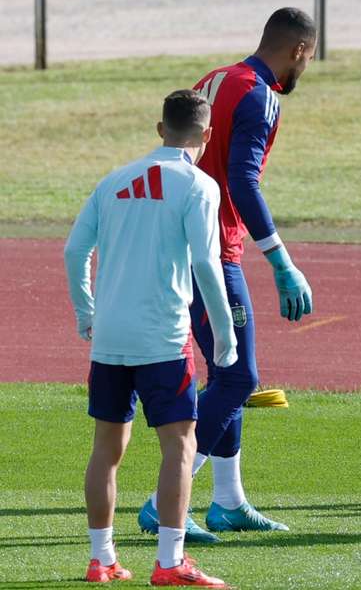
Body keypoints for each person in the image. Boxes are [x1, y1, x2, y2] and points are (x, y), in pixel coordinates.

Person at [137, 7, 317, 541]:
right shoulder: (261, 95)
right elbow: (242, 180)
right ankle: (162, 502)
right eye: (307, 61)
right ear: (300, 52)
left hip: (181, 238)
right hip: (213, 250)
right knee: (240, 377)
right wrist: (281, 261)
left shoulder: (216, 79)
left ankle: (227, 501)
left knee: (224, 374)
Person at [64, 89, 235, 586]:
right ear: (207, 135)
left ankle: (102, 558)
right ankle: (169, 561)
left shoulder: (113, 181)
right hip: (163, 337)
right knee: (180, 447)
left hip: (110, 337)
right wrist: (225, 334)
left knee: (106, 449)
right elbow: (206, 262)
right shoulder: (199, 186)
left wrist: (86, 312)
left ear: (160, 129)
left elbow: (76, 252)